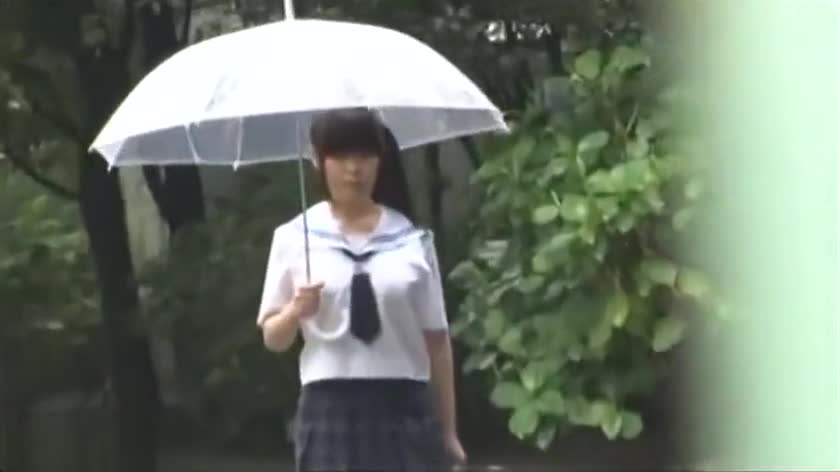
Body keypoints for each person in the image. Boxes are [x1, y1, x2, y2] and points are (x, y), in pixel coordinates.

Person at [256, 108, 467, 472]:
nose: (354, 169)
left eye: (365, 155)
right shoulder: (294, 238)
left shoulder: (411, 239)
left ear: (380, 160)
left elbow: (437, 340)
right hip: (329, 405)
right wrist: (294, 311)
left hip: (403, 402)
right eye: (341, 156)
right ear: (318, 161)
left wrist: (449, 432)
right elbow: (274, 339)